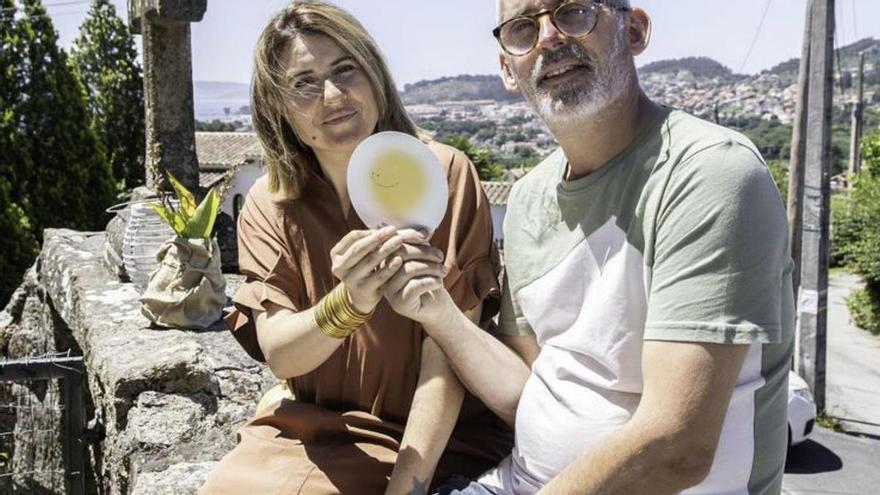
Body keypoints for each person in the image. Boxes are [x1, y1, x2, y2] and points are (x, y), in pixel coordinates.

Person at [385, 1, 795, 494]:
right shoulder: (528, 198)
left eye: (574, 11)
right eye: (522, 28)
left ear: (635, 30)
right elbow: (530, 392)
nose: (549, 38)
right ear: (507, 70)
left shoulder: (709, 173)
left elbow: (677, 446)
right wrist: (438, 311)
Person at [199, 2, 511, 494]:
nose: (333, 95)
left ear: (375, 76)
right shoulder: (269, 202)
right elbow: (281, 354)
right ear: (278, 106)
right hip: (314, 432)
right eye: (304, 83)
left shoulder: (443, 177)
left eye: (346, 70)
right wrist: (350, 303)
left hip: (436, 438)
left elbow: (447, 355)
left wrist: (406, 487)